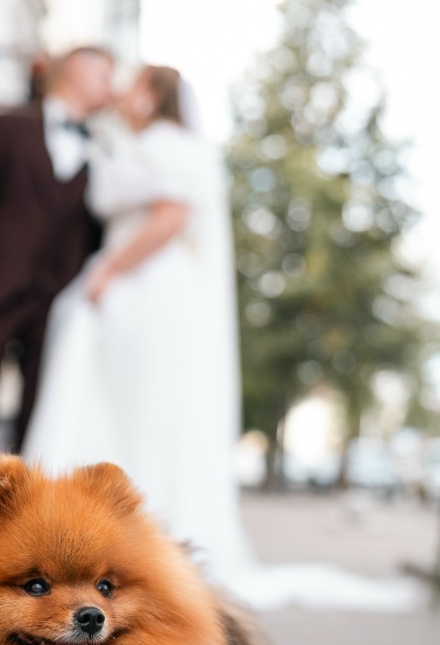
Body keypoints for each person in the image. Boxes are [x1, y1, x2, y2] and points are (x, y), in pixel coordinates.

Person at [23, 64, 422, 613]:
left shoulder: (167, 146)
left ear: (153, 96)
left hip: (144, 289)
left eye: (132, 86)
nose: (121, 92)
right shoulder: (143, 143)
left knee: (138, 409)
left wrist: (110, 271)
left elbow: (169, 217)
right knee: (120, 406)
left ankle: (117, 534)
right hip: (135, 287)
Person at [0, 46, 114, 453]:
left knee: (39, 416)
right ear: (74, 71)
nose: (111, 88)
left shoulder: (103, 150)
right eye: (104, 76)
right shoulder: (10, 127)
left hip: (57, 299)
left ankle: (22, 496)